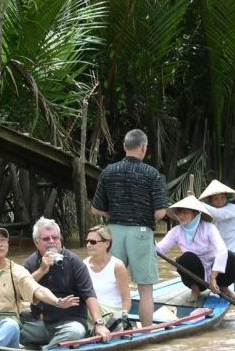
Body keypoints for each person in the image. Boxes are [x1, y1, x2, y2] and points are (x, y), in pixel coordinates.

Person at [91, 129, 168, 327]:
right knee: (145, 290)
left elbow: (95, 208)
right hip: (141, 233)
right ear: (144, 148)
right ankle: (147, 332)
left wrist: (115, 215)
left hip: (113, 232)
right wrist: (141, 216)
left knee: (112, 282)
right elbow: (160, 213)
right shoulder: (152, 174)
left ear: (125, 147)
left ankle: (106, 325)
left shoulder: (109, 171)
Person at [21, 217, 111, 349]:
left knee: (75, 333)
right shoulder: (31, 263)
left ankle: (47, 348)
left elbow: (89, 294)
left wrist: (99, 323)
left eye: (55, 238)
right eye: (46, 239)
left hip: (69, 324)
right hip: (40, 324)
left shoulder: (74, 261)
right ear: (36, 243)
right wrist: (42, 270)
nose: (51, 242)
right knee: (13, 329)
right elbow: (20, 292)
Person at [156, 195, 235, 302]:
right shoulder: (176, 231)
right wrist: (149, 240)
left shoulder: (209, 228)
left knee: (230, 256)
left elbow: (221, 250)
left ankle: (224, 287)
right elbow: (160, 250)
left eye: (185, 213)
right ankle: (195, 290)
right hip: (195, 275)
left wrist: (213, 278)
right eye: (179, 213)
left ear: (195, 214)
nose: (181, 216)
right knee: (187, 257)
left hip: (216, 272)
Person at [83, 224, 132, 327]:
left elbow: (126, 300)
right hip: (91, 311)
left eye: (93, 242)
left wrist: (122, 317)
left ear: (106, 243)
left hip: (111, 314)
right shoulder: (83, 265)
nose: (88, 245)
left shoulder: (117, 266)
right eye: (87, 241)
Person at [199, 180, 235, 260]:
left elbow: (218, 214)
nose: (220, 201)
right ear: (211, 201)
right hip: (219, 255)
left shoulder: (232, 208)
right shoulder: (209, 214)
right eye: (216, 199)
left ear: (226, 198)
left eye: (222, 198)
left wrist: (197, 203)